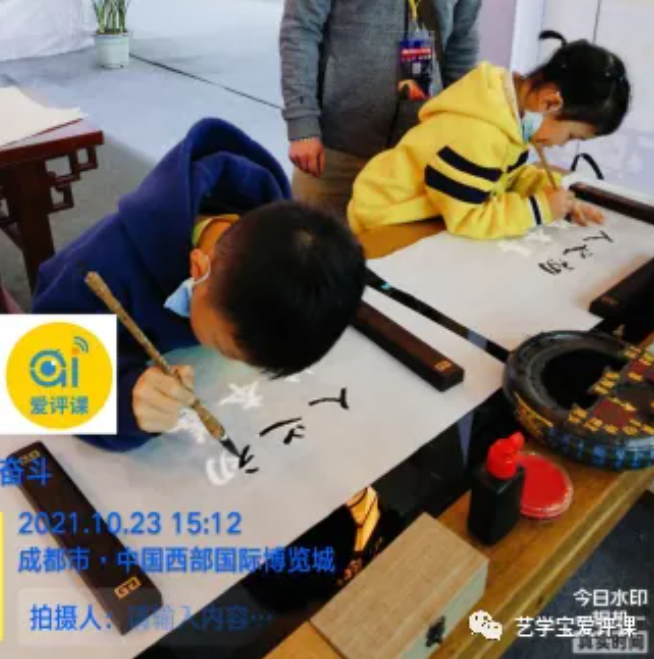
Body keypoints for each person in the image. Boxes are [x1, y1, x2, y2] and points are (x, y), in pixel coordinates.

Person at [33, 119, 366, 451]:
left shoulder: (281, 244)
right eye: (223, 347)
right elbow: (34, 371)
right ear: (197, 272)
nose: (234, 361)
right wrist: (122, 401)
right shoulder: (100, 269)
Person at [348, 32, 632, 239]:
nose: (561, 145)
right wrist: (540, 209)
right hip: (388, 219)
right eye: (570, 136)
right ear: (549, 103)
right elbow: (469, 217)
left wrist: (556, 197)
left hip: (427, 214)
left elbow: (503, 177)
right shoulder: (481, 134)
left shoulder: (509, 107)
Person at [280, 0, 482, 216]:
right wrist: (302, 124)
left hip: (418, 158)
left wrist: (461, 131)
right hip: (335, 151)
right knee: (314, 234)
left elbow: (462, 43)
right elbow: (300, 29)